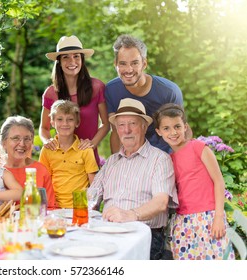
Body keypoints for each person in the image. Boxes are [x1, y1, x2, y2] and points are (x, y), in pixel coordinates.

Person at [88, 98, 178, 260]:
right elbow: (91, 197)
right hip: (107, 231)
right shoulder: (111, 162)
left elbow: (161, 202)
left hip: (144, 235)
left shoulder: (160, 159)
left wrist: (131, 215)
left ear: (144, 127)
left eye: (133, 124)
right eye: (121, 125)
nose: (127, 130)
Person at [153, 103, 234, 260]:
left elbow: (219, 181)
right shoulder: (167, 160)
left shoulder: (198, 147)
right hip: (183, 222)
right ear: (159, 132)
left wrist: (218, 217)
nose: (173, 132)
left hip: (209, 217)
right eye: (166, 128)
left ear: (185, 127)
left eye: (177, 126)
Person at [105, 34, 185, 155]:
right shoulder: (110, 90)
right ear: (115, 64)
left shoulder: (169, 91)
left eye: (135, 63)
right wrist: (116, 165)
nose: (129, 69)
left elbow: (181, 131)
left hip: (165, 155)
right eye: (123, 63)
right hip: (132, 157)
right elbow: (116, 132)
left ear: (144, 64)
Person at [40, 35, 110, 166]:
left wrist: (92, 144)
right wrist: (47, 141)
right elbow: (44, 128)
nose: (72, 61)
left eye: (76, 56)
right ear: (59, 61)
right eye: (66, 57)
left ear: (82, 60)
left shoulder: (97, 87)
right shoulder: (51, 93)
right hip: (61, 160)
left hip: (88, 157)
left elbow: (106, 124)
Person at [39, 100, 99, 208]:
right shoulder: (47, 150)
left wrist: (92, 208)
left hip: (80, 207)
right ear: (52, 122)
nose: (65, 124)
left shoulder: (85, 149)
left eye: (70, 119)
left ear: (77, 122)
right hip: (54, 207)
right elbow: (43, 181)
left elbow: (94, 184)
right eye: (60, 119)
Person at [0, 116, 57, 209]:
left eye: (27, 139)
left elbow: (50, 208)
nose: (22, 144)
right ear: (4, 142)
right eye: (15, 138)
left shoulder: (40, 170)